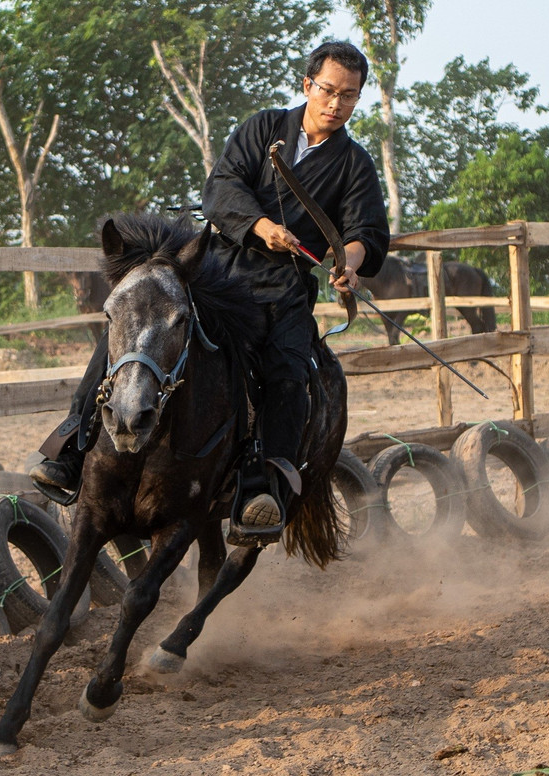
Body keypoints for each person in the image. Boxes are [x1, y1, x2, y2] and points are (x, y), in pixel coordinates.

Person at [30, 40, 389, 544]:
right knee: (131, 332)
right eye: (328, 91)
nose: (336, 104)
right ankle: (71, 445)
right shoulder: (263, 128)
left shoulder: (354, 163)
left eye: (349, 96)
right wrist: (262, 225)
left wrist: (348, 265)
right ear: (308, 85)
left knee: (289, 370)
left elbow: (366, 233)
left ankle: (263, 490)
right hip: (217, 272)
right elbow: (220, 189)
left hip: (282, 289)